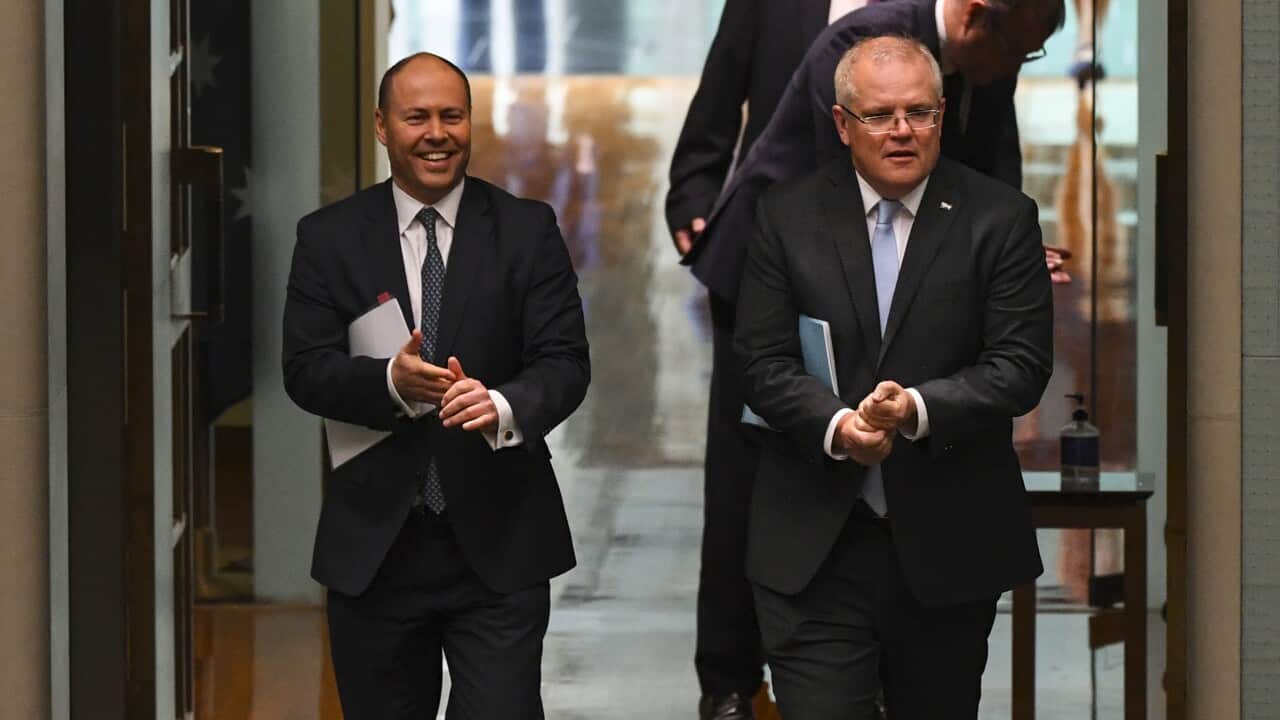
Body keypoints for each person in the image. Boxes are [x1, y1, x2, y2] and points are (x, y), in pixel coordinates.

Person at [733, 35, 1053, 718]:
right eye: (880, 115)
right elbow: (760, 362)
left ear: (942, 114)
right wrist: (838, 425)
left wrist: (914, 408)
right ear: (842, 124)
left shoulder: (1000, 219)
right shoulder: (785, 217)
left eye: (920, 112)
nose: (902, 130)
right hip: (815, 542)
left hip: (949, 539)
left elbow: (1020, 367)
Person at [282, 53, 590, 718]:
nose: (436, 132)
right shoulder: (327, 239)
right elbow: (304, 370)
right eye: (416, 117)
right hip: (375, 553)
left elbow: (565, 363)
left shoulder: (526, 230)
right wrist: (389, 382)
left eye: (452, 115)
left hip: (501, 543)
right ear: (382, 127)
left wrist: (503, 405)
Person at [665, 3, 878, 718]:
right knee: (741, 478)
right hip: (762, 263)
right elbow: (717, 105)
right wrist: (695, 203)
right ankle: (727, 681)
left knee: (867, 468)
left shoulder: (940, 13)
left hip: (886, 273)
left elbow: (975, 128)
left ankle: (861, 676)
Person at [687, 0, 1069, 303]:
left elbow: (993, 163)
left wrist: (1009, 245)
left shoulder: (995, 54)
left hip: (860, 259)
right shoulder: (861, 45)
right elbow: (853, 194)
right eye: (1016, 51)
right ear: (973, 15)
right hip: (766, 262)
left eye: (1029, 55)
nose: (1016, 66)